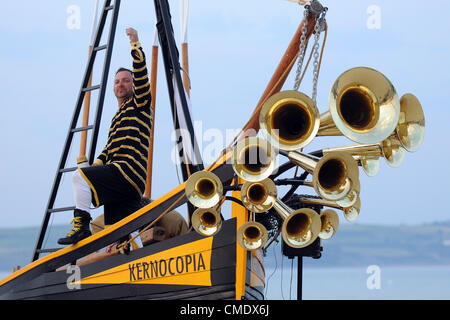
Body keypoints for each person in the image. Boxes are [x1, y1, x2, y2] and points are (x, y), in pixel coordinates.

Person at [58, 28, 153, 245]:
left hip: (126, 172)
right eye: (118, 81)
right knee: (117, 235)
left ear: (134, 85)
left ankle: (81, 226)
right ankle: (130, 261)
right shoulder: (117, 117)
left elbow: (141, 76)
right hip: (124, 185)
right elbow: (109, 149)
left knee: (78, 178)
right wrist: (96, 164)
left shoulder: (140, 104)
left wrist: (135, 45)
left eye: (126, 81)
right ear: (113, 87)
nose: (121, 84)